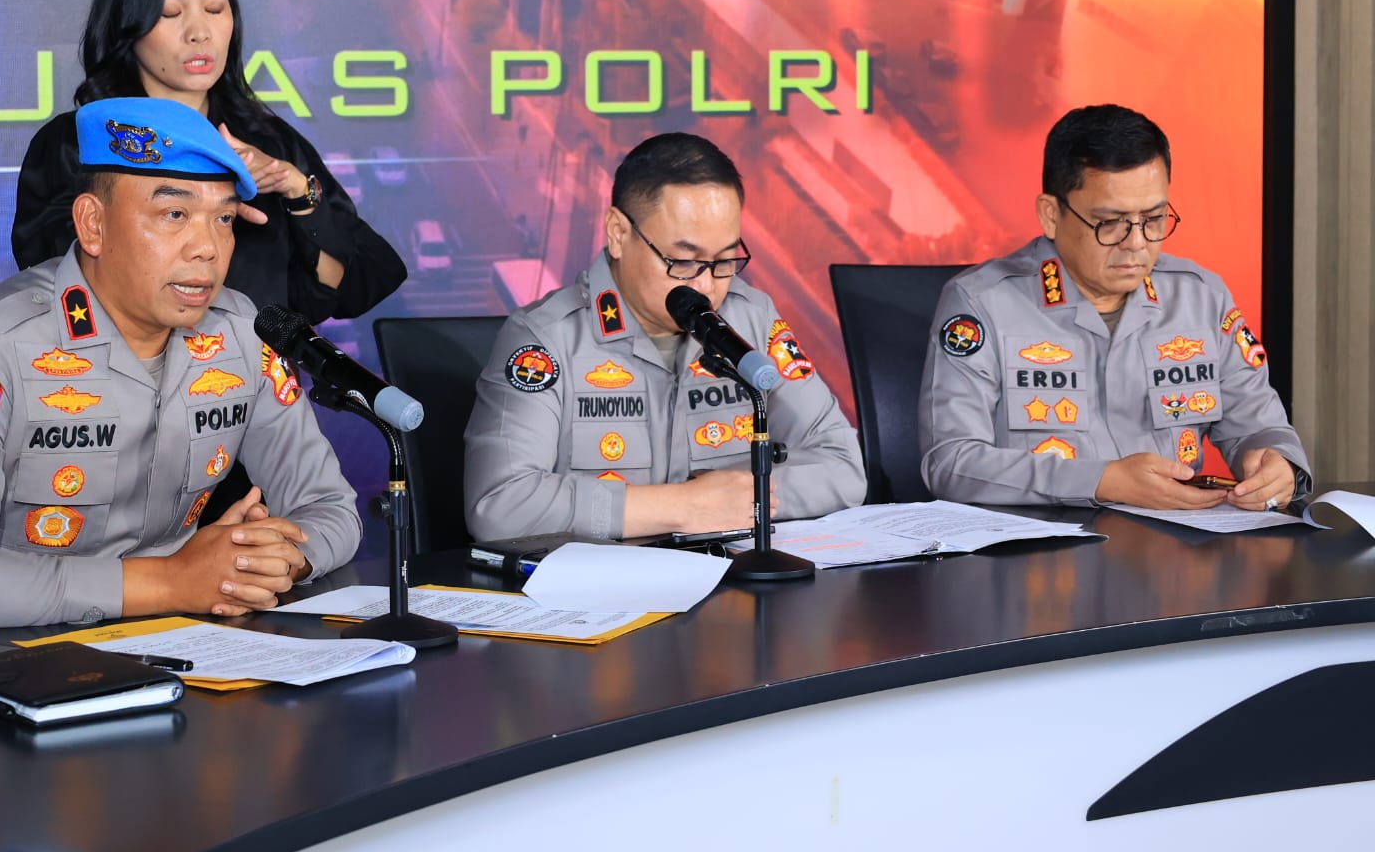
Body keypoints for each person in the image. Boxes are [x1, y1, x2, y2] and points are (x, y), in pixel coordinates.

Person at [0, 97, 361, 632]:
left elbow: (330, 507)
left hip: (181, 642)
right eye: (174, 215)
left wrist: (268, 561)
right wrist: (169, 581)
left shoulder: (240, 332)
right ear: (93, 224)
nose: (208, 248)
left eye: (224, 218)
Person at [464, 133, 867, 540]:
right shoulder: (547, 338)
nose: (706, 286)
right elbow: (499, 505)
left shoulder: (752, 318)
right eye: (684, 261)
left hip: (731, 574)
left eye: (725, 260)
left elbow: (843, 466)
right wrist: (682, 507)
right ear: (618, 233)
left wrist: (747, 497)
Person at [11, 0, 406, 325]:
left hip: (256, 365)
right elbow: (51, 283)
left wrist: (297, 192)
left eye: (215, 9)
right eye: (170, 12)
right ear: (128, 22)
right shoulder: (78, 143)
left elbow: (359, 283)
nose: (199, 32)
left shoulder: (269, 143)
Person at [919, 104, 1310, 510]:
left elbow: (1259, 426)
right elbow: (950, 463)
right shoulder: (983, 303)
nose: (1136, 243)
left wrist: (1277, 463)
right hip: (1047, 543)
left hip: (1178, 541)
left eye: (1153, 219)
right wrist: (1099, 482)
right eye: (1110, 222)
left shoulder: (1201, 297)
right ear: (1051, 215)